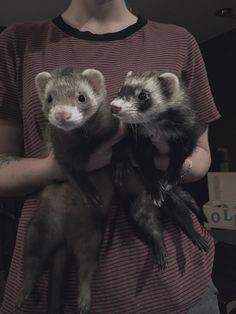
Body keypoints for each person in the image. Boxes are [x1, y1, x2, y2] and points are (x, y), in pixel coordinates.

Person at [0, 0, 221, 313]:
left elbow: (200, 156)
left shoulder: (179, 41)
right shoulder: (17, 42)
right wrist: (56, 167)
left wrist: (157, 161)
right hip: (55, 284)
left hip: (180, 288)